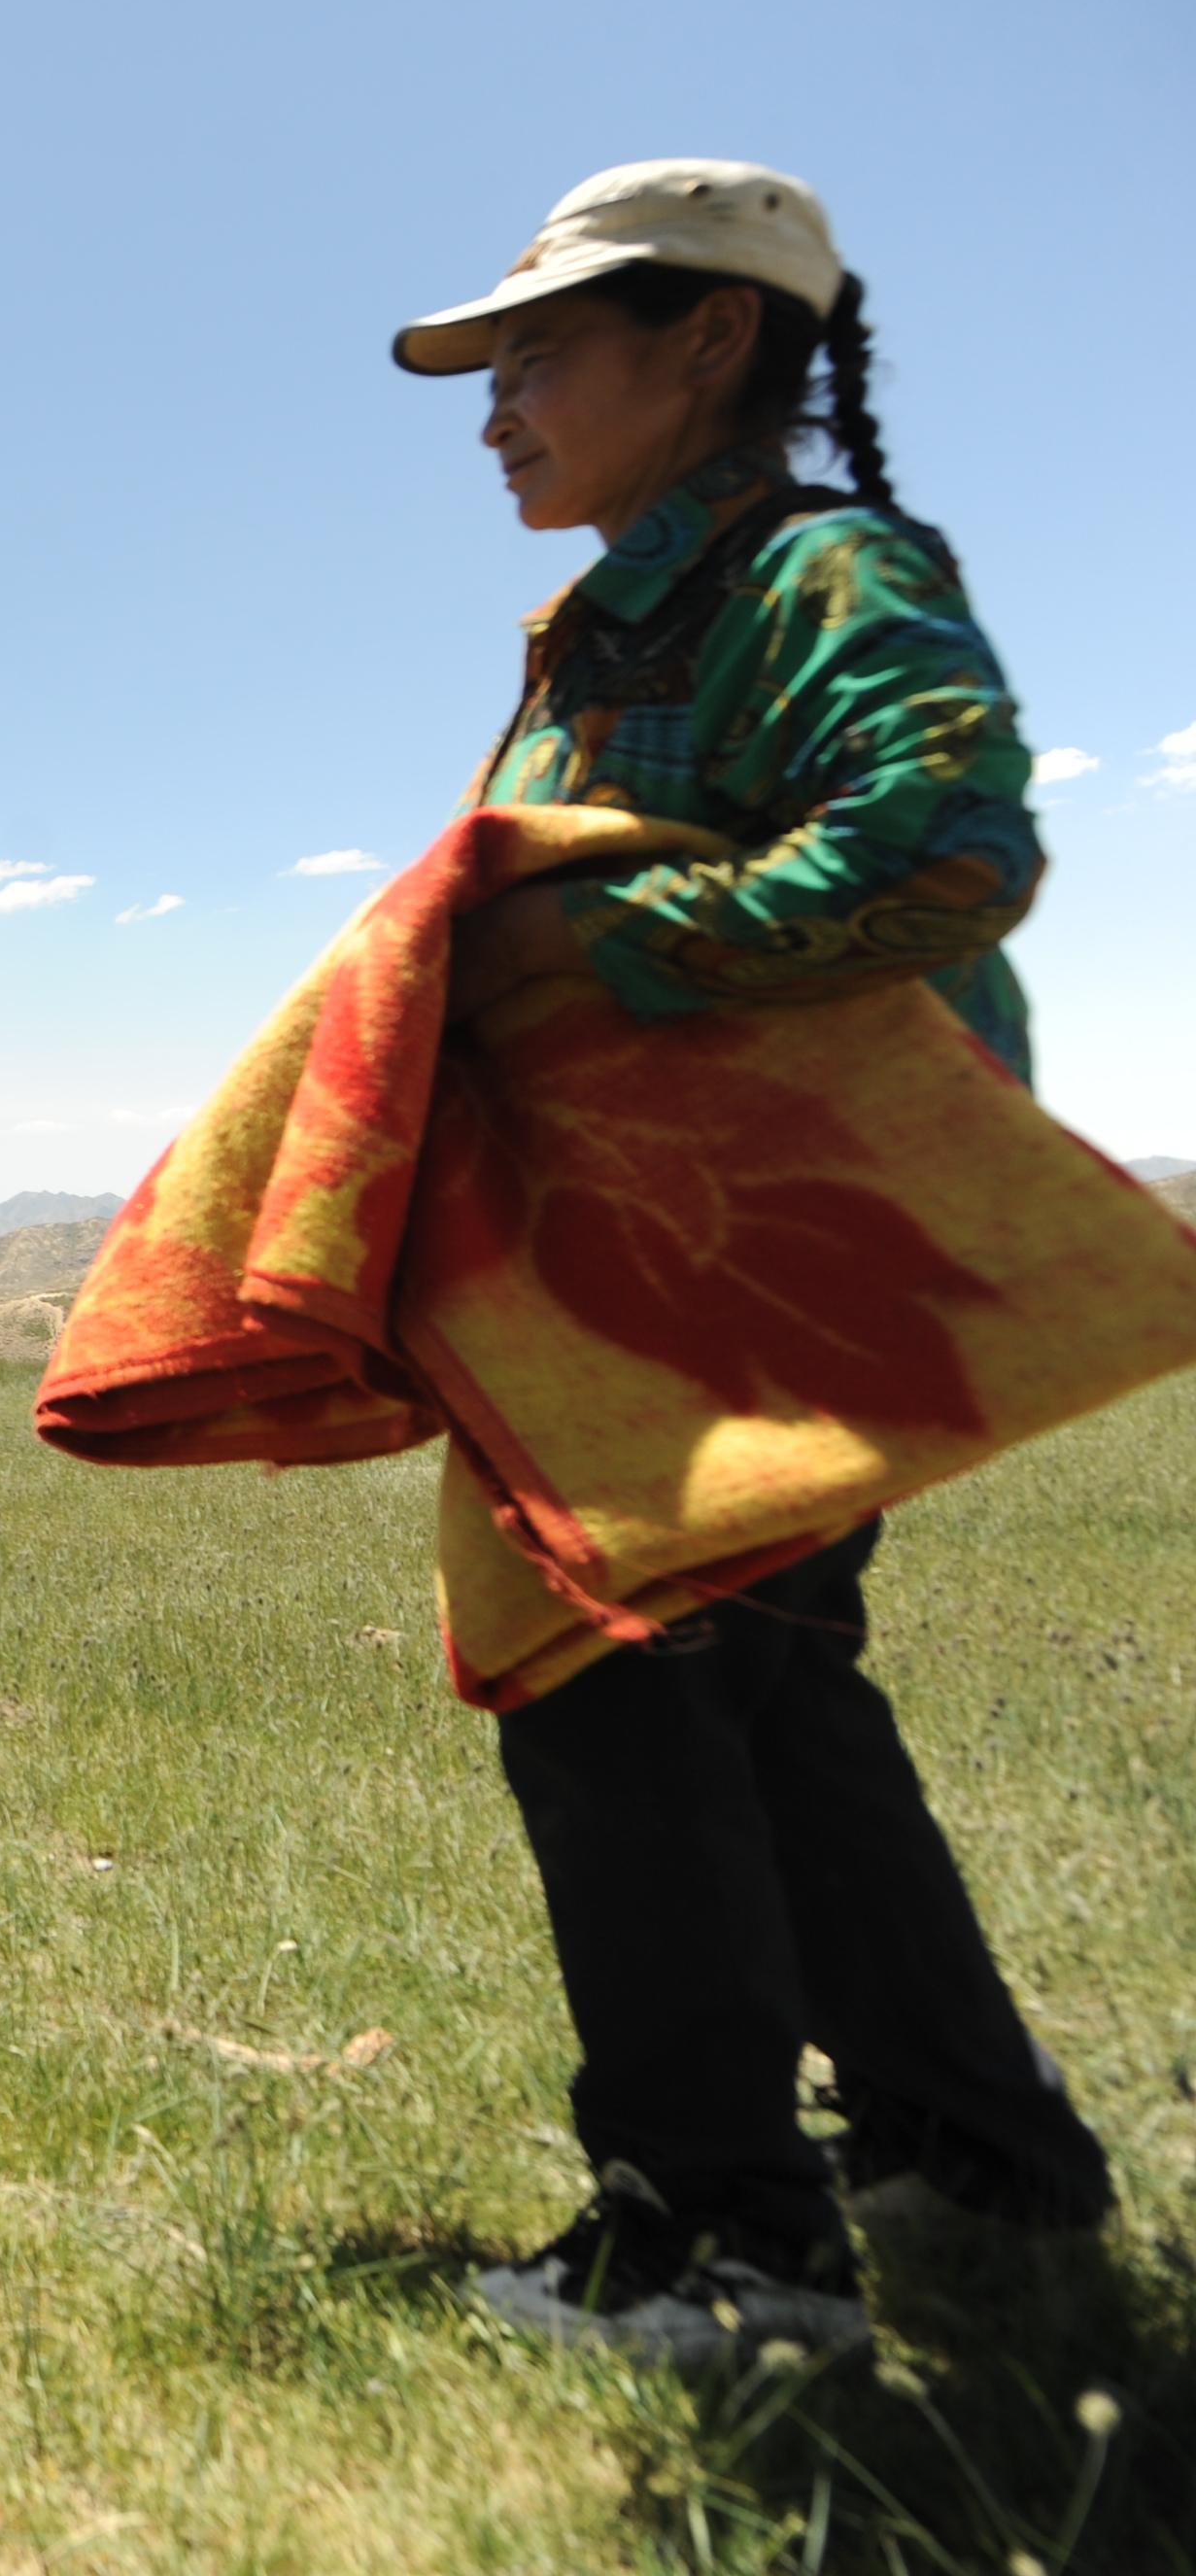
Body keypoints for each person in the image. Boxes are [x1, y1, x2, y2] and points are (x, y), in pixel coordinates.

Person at [400, 160, 1110, 2365]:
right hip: (671, 1244)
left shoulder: (813, 571)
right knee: (775, 1695)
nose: (495, 408)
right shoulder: (613, 620)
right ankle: (971, 2158)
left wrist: (585, 949)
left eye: (537, 352)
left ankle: (725, 2243)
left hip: (770, 1243)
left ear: (709, 341)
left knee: (625, 1685)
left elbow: (943, 842)